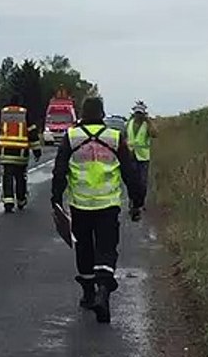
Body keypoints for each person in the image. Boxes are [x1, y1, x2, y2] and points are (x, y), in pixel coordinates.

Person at [50, 96, 145, 324]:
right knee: (106, 248)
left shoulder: (71, 137)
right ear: (102, 114)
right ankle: (103, 291)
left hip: (80, 204)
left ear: (82, 114)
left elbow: (59, 171)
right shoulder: (114, 137)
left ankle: (89, 293)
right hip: (108, 204)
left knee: (84, 248)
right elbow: (131, 173)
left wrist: (56, 199)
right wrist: (137, 200)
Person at [0, 101, 43, 212]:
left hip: (6, 152)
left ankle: (8, 202)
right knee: (20, 177)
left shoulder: (2, 113)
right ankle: (21, 200)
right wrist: (37, 151)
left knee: (7, 176)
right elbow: (32, 133)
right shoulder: (25, 114)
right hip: (21, 153)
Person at [127, 101, 158, 198]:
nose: (138, 116)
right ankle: (133, 201)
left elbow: (155, 134)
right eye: (137, 113)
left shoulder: (146, 124)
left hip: (143, 158)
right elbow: (125, 136)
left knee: (142, 182)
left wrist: (148, 121)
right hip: (131, 156)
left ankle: (141, 201)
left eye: (140, 113)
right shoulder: (129, 123)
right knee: (132, 181)